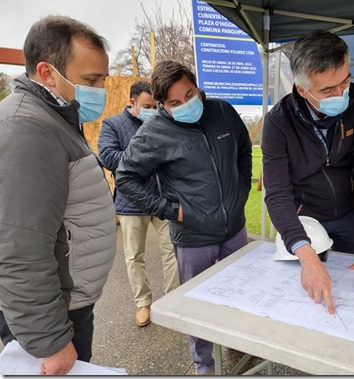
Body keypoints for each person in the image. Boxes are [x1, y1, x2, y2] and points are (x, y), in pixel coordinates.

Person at [115, 60, 252, 375]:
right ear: (163, 104)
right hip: (192, 237)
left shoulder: (222, 111)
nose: (187, 105)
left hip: (234, 230)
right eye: (176, 102)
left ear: (197, 86)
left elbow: (244, 150)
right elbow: (126, 178)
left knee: (241, 295)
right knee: (197, 307)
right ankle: (204, 364)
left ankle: (241, 344)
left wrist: (241, 191)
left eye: (190, 94)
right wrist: (169, 210)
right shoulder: (153, 132)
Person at [0, 16, 116, 375]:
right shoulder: (28, 128)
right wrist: (50, 340)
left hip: (67, 304)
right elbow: (19, 247)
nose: (100, 90)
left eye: (102, 80)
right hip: (53, 317)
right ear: (48, 73)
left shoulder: (55, 117)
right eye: (91, 80)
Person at [262, 30, 354, 315]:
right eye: (328, 90)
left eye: (345, 81)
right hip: (306, 218)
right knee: (310, 297)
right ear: (302, 89)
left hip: (351, 212)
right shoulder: (278, 123)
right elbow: (278, 194)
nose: (341, 94)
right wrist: (306, 256)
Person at [98, 80, 179, 327]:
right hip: (131, 201)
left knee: (173, 252)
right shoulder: (113, 125)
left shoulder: (163, 122)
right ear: (132, 102)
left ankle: (173, 302)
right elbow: (108, 156)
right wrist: (144, 157)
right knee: (134, 256)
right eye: (147, 105)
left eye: (156, 105)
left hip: (163, 199)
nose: (153, 110)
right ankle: (143, 303)